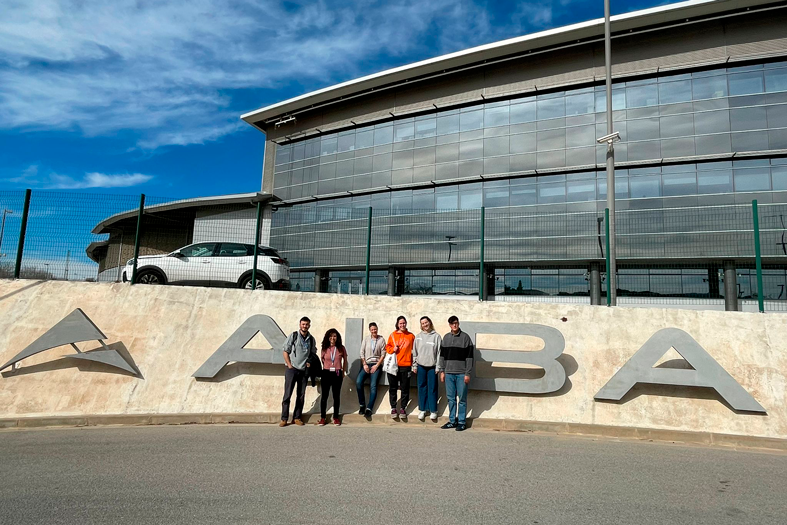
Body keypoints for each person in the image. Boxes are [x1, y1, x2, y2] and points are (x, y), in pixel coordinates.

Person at [438, 316, 474, 432]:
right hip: (448, 373)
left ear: (458, 323)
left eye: (456, 323)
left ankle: (462, 422)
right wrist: (442, 371)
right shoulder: (446, 338)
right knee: (451, 399)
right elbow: (442, 356)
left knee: (462, 399)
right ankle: (452, 421)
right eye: (452, 323)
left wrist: (467, 373)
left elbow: (469, 358)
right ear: (449, 325)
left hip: (461, 374)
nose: (455, 325)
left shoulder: (465, 338)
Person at [280, 316, 317, 427]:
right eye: (303, 324)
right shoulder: (294, 335)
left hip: (304, 371)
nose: (305, 326)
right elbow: (285, 351)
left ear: (309, 325)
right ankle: (284, 418)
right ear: (300, 325)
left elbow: (313, 354)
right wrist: (290, 365)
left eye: (307, 324)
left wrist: (309, 362)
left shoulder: (311, 339)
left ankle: (297, 417)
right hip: (292, 370)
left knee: (301, 396)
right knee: (287, 395)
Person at [385, 315, 415, 420]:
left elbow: (415, 351)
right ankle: (393, 407)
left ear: (406, 323)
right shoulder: (392, 335)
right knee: (392, 387)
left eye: (404, 323)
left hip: (406, 366)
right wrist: (392, 349)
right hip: (394, 365)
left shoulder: (411, 336)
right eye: (400, 323)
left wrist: (414, 364)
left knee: (405, 388)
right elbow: (387, 347)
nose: (402, 325)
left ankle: (403, 408)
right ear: (397, 324)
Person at [413, 316, 441, 422]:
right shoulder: (418, 337)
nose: (425, 325)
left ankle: (433, 410)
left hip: (432, 367)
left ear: (430, 322)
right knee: (421, 387)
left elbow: (439, 353)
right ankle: (422, 409)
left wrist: (438, 366)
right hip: (421, 366)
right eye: (422, 323)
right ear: (421, 325)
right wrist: (414, 365)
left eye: (426, 322)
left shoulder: (437, 337)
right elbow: (415, 352)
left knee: (432, 388)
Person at [318, 328, 348, 426]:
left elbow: (345, 360)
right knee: (324, 396)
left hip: (337, 373)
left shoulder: (341, 348)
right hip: (326, 373)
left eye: (334, 336)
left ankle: (336, 417)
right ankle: (323, 417)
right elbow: (322, 360)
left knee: (336, 396)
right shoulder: (324, 348)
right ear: (328, 337)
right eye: (331, 336)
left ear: (337, 337)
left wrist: (343, 371)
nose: (332, 338)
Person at [356, 321, 386, 417]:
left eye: (375, 329)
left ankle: (369, 408)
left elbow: (383, 354)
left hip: (376, 365)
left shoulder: (381, 339)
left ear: (377, 329)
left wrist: (377, 366)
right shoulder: (366, 339)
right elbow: (362, 352)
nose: (374, 331)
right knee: (358, 382)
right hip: (367, 364)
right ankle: (362, 404)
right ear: (370, 330)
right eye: (372, 329)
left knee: (373, 385)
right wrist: (364, 364)